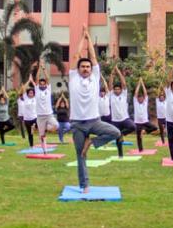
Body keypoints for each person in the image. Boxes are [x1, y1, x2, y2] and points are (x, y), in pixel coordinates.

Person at [68, 26, 121, 193]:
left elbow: (93, 56)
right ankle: (85, 185)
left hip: (94, 121)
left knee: (116, 133)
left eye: (87, 67)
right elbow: (76, 56)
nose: (85, 69)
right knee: (80, 155)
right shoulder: (73, 77)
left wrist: (88, 38)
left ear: (91, 70)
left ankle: (91, 142)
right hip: (77, 123)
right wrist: (81, 38)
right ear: (78, 69)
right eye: (82, 67)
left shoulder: (95, 77)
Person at [29, 64, 59, 150]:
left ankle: (46, 127)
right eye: (40, 84)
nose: (42, 85)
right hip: (40, 116)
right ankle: (44, 151)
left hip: (49, 115)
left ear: (46, 84)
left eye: (43, 83)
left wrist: (43, 68)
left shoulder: (48, 89)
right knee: (42, 135)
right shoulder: (37, 89)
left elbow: (48, 78)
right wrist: (39, 69)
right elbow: (37, 78)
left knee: (56, 125)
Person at [107, 64, 133, 158]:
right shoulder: (111, 95)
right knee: (118, 139)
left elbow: (124, 83)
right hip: (115, 121)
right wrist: (112, 74)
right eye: (115, 89)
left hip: (124, 118)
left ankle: (122, 134)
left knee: (132, 126)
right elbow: (110, 84)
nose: (117, 90)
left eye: (119, 89)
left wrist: (118, 71)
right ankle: (120, 155)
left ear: (121, 90)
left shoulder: (124, 95)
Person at [132, 79, 158, 149]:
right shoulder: (136, 103)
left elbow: (145, 93)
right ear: (137, 99)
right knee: (139, 137)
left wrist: (142, 83)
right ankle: (140, 150)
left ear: (143, 99)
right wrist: (138, 84)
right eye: (139, 98)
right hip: (138, 122)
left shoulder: (145, 103)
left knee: (154, 127)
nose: (140, 99)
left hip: (145, 121)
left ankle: (144, 131)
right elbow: (135, 93)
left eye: (141, 98)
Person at [19, 84, 37, 148]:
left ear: (34, 94)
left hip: (34, 117)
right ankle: (31, 145)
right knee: (30, 133)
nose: (31, 94)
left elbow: (37, 87)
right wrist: (29, 81)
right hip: (27, 119)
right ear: (27, 94)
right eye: (29, 93)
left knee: (38, 126)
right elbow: (23, 88)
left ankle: (34, 126)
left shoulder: (35, 98)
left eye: (32, 93)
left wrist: (32, 82)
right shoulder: (25, 98)